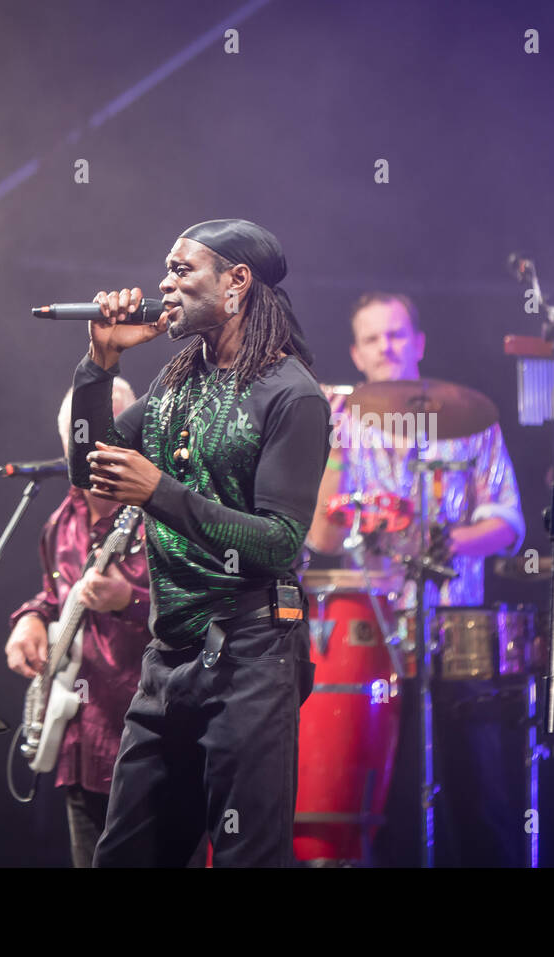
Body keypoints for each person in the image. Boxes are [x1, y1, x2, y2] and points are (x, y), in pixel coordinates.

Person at [69, 219, 331, 867]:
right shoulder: (177, 382)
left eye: (183, 269)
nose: (164, 283)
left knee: (248, 855)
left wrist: (158, 490)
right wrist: (100, 362)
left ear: (237, 282)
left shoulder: (291, 395)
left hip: (250, 656)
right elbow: (87, 469)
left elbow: (277, 543)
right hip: (170, 659)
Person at [306, 292, 526, 867]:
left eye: (397, 335)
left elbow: (508, 520)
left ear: (419, 344)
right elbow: (320, 541)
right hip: (372, 633)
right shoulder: (344, 425)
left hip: (454, 627)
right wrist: (330, 446)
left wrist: (445, 542)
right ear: (357, 354)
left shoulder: (467, 419)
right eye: (374, 339)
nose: (387, 347)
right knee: (377, 796)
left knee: (478, 793)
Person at [5, 378, 152, 868]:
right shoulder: (58, 524)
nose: (97, 447)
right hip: (80, 742)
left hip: (150, 743)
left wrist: (128, 600)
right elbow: (54, 598)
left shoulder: (162, 513)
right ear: (66, 444)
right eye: (83, 435)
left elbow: (203, 616)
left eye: (111, 433)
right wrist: (29, 621)